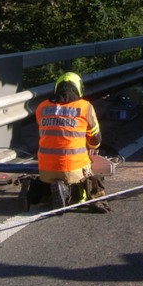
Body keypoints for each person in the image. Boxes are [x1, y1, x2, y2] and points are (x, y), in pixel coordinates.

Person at [35, 72, 102, 209]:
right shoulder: (85, 107)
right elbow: (95, 139)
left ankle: (48, 191)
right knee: (87, 168)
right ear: (79, 88)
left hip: (45, 168)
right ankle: (76, 193)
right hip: (73, 168)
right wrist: (91, 146)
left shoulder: (42, 107)